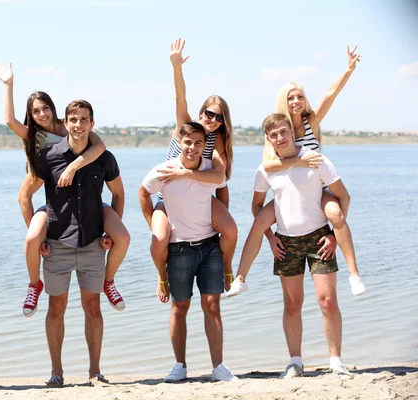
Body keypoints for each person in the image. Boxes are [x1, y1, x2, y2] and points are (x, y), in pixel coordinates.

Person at [0, 62, 130, 316]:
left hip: (85, 198)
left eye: (45, 108)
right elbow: (9, 120)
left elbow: (99, 148)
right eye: (35, 111)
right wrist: (8, 83)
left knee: (122, 236)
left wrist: (73, 167)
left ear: (57, 112)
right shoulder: (35, 138)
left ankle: (109, 281)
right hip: (52, 197)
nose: (42, 114)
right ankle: (34, 285)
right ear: (30, 115)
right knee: (32, 239)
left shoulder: (70, 127)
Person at [229, 45, 365, 296]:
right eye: (291, 97)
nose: (296, 101)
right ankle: (240, 278)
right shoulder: (277, 129)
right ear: (284, 101)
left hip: (318, 188)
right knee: (259, 222)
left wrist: (348, 70)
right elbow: (268, 165)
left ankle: (354, 274)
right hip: (288, 192)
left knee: (336, 214)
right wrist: (300, 162)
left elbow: (330, 96)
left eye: (300, 96)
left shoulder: (310, 122)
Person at [233, 113, 354, 378]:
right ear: (268, 139)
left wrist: (334, 234)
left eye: (283, 132)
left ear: (291, 131)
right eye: (274, 135)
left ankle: (335, 360)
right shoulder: (265, 169)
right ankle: (295, 362)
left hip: (318, 237)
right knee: (292, 304)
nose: (280, 137)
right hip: (285, 241)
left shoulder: (314, 159)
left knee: (328, 301)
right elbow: (256, 207)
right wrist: (270, 237)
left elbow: (343, 195)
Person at [20, 100, 126, 387]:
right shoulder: (48, 156)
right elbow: (24, 197)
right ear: (64, 123)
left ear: (92, 124)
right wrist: (38, 234)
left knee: (93, 307)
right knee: (56, 307)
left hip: (92, 243)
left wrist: (109, 229)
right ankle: (57, 373)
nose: (78, 124)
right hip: (57, 244)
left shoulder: (105, 158)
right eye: (73, 119)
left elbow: (118, 193)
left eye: (84, 119)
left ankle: (95, 372)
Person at [139, 122, 238, 382]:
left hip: (209, 247)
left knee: (212, 306)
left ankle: (218, 367)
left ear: (205, 145)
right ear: (179, 143)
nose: (192, 147)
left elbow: (221, 182)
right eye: (187, 142)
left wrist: (219, 213)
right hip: (179, 249)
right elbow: (143, 192)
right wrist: (153, 221)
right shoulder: (163, 170)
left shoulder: (211, 170)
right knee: (179, 308)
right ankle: (180, 366)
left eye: (198, 143)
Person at [150, 38, 238, 302]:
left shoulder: (217, 140)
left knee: (231, 231)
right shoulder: (185, 128)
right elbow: (180, 96)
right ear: (200, 113)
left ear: (223, 121)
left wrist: (185, 174)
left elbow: (220, 178)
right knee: (160, 239)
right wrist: (177, 67)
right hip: (170, 198)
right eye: (208, 113)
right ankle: (161, 276)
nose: (211, 119)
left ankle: (226, 266)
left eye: (218, 117)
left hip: (200, 198)